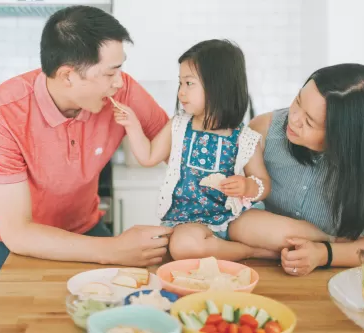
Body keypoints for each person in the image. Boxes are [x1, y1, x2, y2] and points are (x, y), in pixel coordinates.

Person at [0, 6, 173, 294]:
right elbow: (18, 232)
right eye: (110, 73)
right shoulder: (3, 112)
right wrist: (114, 249)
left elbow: (177, 149)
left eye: (120, 69)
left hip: (83, 227)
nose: (119, 82)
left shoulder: (122, 91)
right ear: (68, 76)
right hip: (11, 241)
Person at [228, 63, 364, 276]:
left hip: (339, 276)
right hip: (263, 269)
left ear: (345, 138)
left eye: (309, 121)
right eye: (297, 101)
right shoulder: (264, 131)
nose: (293, 119)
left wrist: (324, 254)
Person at [112, 39, 278, 261]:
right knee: (182, 246)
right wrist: (132, 126)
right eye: (180, 83)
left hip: (230, 219)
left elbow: (263, 183)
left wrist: (248, 186)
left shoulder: (244, 138)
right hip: (188, 222)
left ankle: (230, 246)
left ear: (219, 86)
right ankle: (251, 252)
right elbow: (148, 156)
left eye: (189, 84)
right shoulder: (179, 125)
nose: (181, 92)